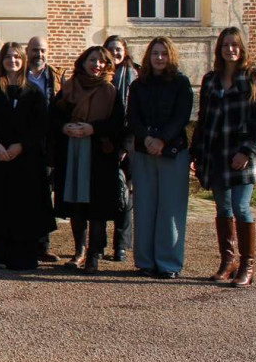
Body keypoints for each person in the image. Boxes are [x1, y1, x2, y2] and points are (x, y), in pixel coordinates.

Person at [191, 27, 256, 288]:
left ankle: (247, 264)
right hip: (217, 153)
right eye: (226, 45)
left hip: (243, 155)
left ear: (242, 47)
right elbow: (203, 119)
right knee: (223, 208)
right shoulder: (211, 79)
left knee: (241, 207)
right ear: (219, 49)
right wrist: (196, 152)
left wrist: (247, 151)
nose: (230, 50)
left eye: (235, 45)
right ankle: (228, 261)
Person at [0, 42, 54, 270]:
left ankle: (24, 257)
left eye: (17, 57)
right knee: (0, 206)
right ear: (2, 61)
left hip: (26, 160)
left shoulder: (34, 92)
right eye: (8, 57)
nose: (13, 61)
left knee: (24, 208)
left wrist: (21, 146)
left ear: (23, 60)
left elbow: (40, 126)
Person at [51, 46, 125, 274]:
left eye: (102, 61)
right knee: (75, 203)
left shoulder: (111, 91)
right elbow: (53, 116)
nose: (97, 65)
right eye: (93, 60)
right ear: (83, 62)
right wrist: (66, 126)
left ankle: (93, 254)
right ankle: (79, 251)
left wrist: (93, 128)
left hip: (99, 155)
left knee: (97, 206)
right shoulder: (69, 87)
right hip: (72, 150)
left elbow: (118, 124)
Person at [128, 37, 193, 279]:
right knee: (144, 206)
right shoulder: (138, 85)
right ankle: (145, 261)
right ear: (148, 56)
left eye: (163, 54)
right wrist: (146, 138)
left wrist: (162, 139)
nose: (159, 58)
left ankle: (168, 263)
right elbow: (132, 116)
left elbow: (182, 116)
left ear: (170, 57)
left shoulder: (181, 83)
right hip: (144, 151)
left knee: (171, 208)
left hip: (173, 150)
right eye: (155, 53)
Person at [26, 35, 63, 262]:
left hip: (48, 144)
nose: (39, 55)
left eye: (42, 51)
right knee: (25, 194)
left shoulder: (57, 77)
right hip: (24, 143)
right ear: (27, 51)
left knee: (45, 196)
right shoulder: (19, 76)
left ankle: (43, 244)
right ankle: (27, 242)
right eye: (35, 50)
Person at [104, 34, 139, 263]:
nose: (115, 53)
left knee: (124, 196)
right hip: (104, 142)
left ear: (125, 51)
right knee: (104, 194)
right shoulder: (100, 75)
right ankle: (99, 244)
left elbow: (135, 114)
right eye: (111, 50)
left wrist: (125, 145)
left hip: (129, 144)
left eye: (119, 49)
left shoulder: (134, 76)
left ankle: (121, 245)